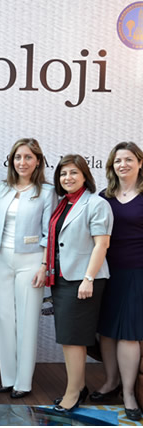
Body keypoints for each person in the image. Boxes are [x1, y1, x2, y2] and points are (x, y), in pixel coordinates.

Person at [46, 155, 113, 413]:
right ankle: (79, 386)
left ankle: (73, 393)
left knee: (74, 339)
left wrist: (88, 278)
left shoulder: (96, 204)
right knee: (68, 338)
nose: (68, 178)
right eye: (63, 174)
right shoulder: (63, 203)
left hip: (83, 280)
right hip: (63, 278)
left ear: (85, 175)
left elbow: (101, 245)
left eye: (74, 172)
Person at [0, 138, 56, 398]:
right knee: (5, 318)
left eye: (28, 157)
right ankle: (8, 378)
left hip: (31, 260)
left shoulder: (47, 192)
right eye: (18, 157)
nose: (22, 162)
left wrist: (44, 265)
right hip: (1, 259)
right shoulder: (2, 188)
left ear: (38, 161)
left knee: (27, 321)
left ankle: (24, 382)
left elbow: (49, 233)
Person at [93, 142, 143, 421]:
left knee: (129, 333)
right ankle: (111, 382)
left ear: (140, 162)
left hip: (137, 272)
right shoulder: (105, 196)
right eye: (117, 161)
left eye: (128, 159)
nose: (123, 164)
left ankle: (128, 393)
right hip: (107, 271)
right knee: (107, 331)